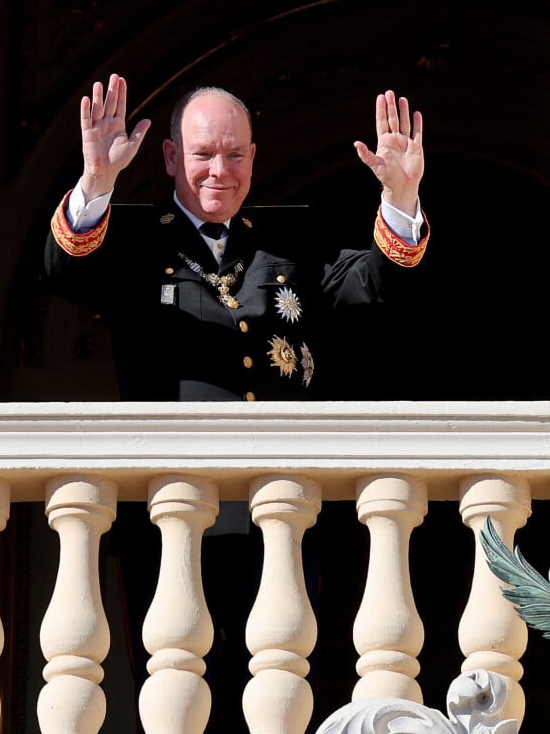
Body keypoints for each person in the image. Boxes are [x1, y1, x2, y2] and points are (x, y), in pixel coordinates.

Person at [44, 74, 429, 731]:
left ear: (255, 155)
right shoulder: (134, 239)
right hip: (173, 515)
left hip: (281, 512)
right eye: (202, 154)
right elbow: (66, 269)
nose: (218, 169)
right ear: (170, 158)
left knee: (283, 698)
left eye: (235, 153)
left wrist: (401, 195)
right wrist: (97, 181)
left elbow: (374, 285)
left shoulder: (290, 242)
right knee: (181, 699)